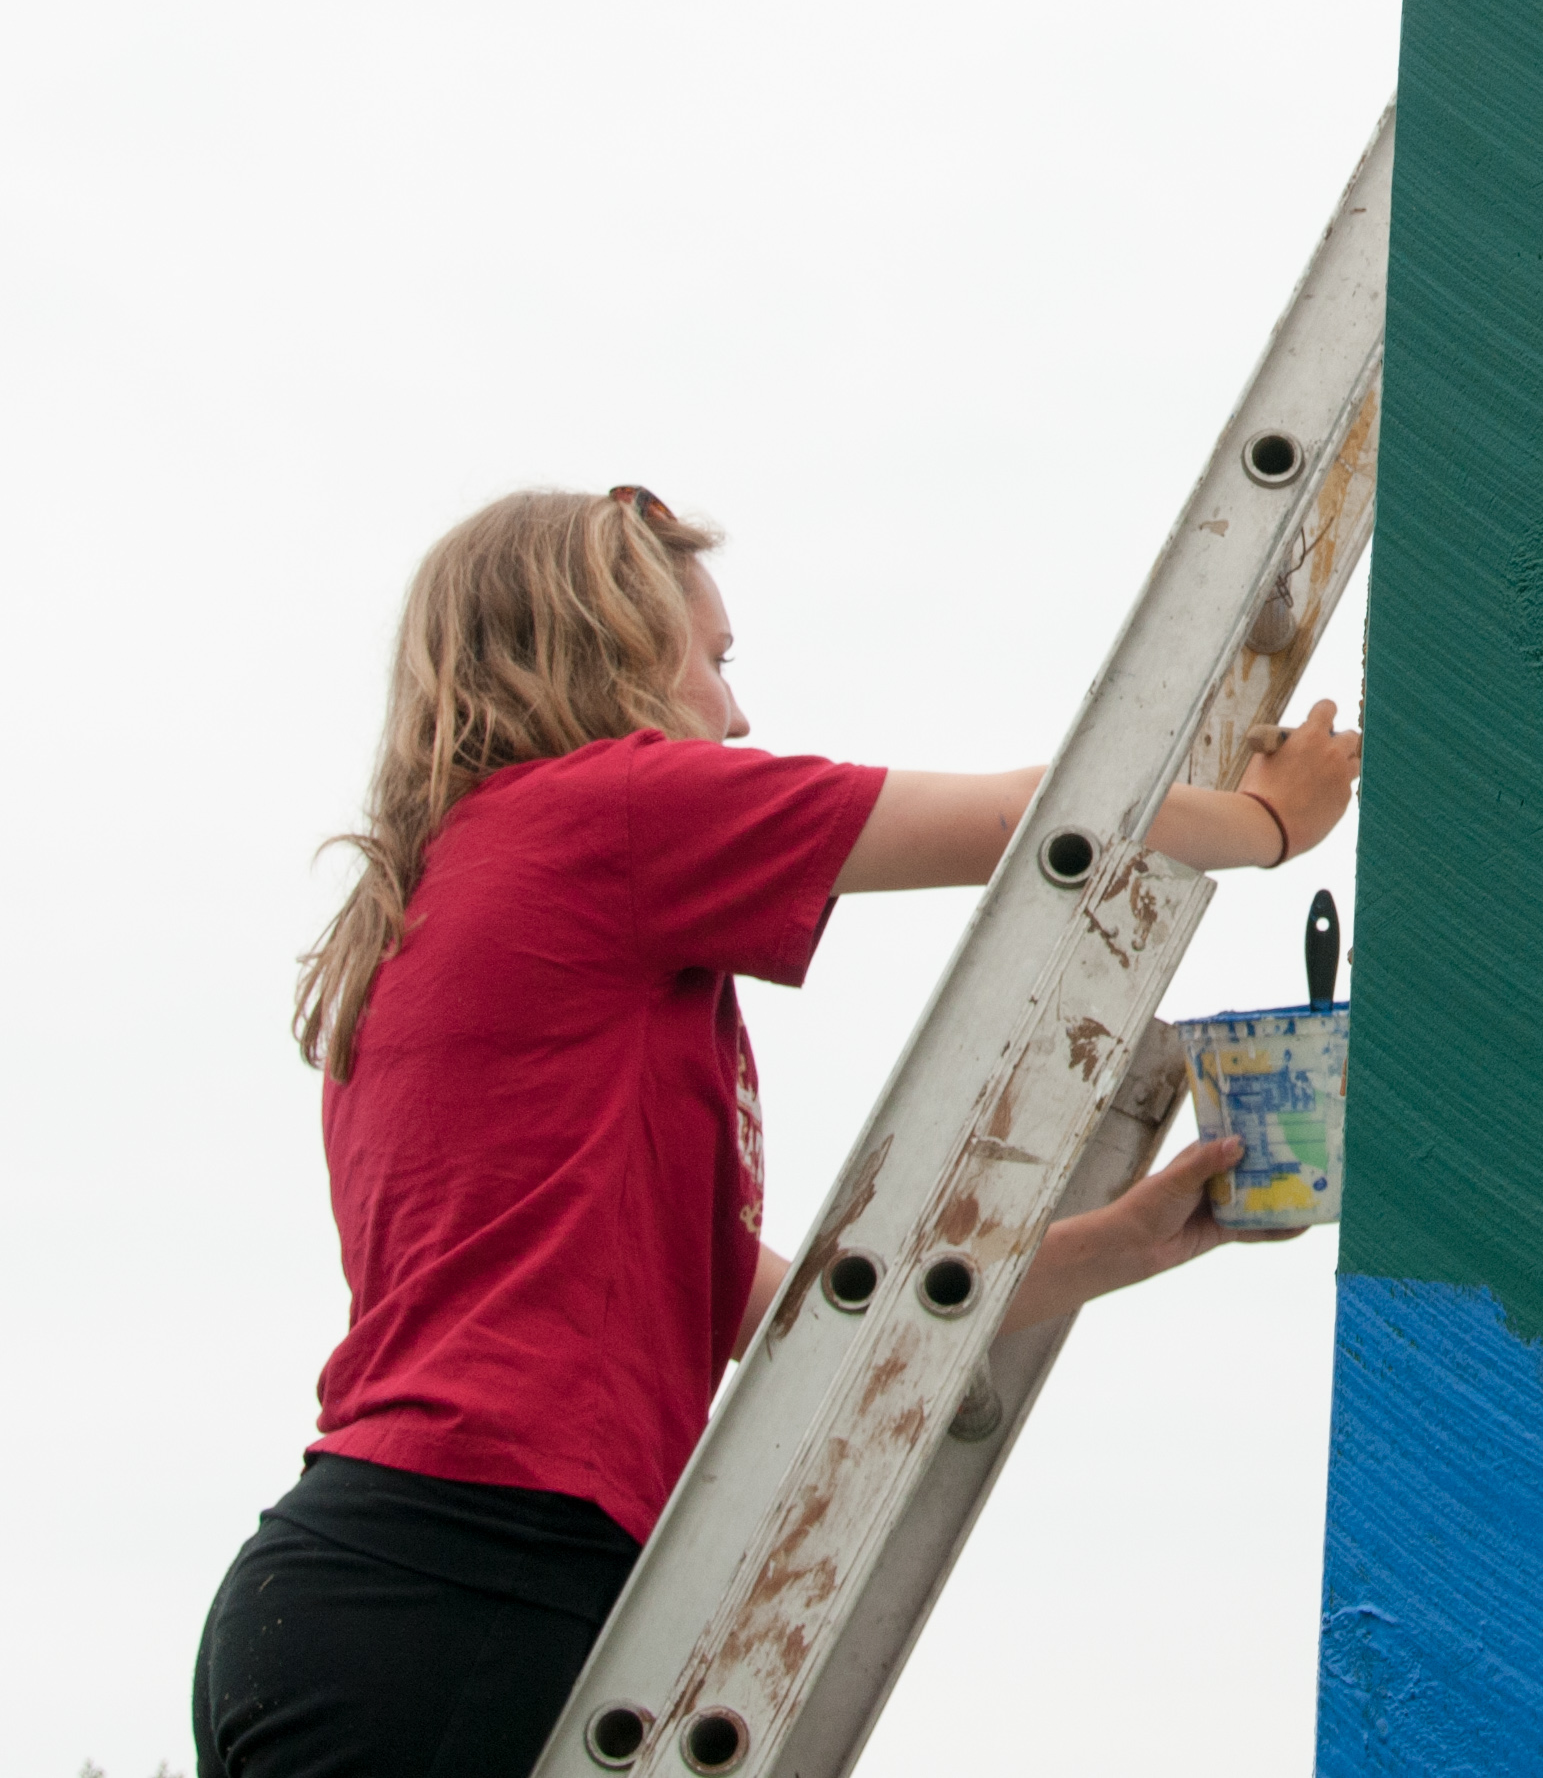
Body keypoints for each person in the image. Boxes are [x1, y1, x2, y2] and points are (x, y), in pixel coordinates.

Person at [192, 484, 1360, 1778]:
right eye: (713, 658)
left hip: (385, 1585)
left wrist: (1119, 1245)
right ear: (609, 643)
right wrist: (1267, 825)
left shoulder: (466, 895)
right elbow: (1036, 826)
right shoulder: (601, 818)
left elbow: (786, 1310)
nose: (737, 711)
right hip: (475, 1573)